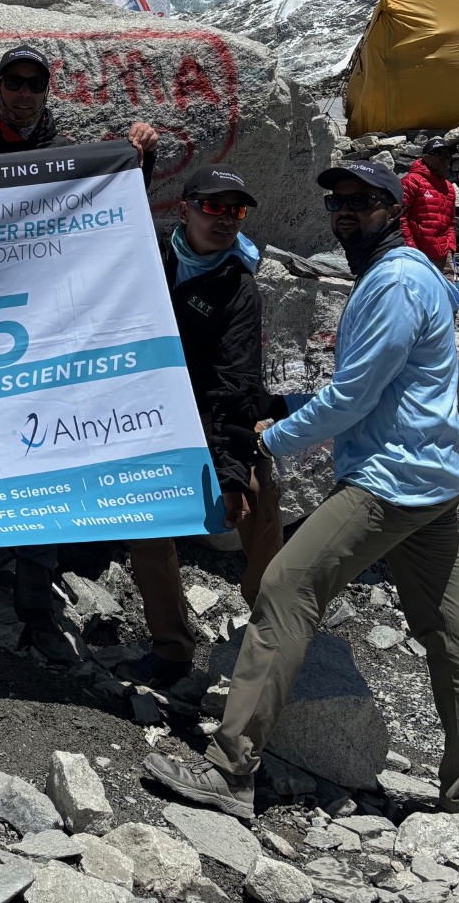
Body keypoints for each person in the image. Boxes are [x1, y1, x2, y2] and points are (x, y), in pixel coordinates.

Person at [142, 160, 459, 822]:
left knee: (285, 586)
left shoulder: (389, 284)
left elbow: (355, 398)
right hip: (436, 478)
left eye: (364, 201)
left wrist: (265, 441)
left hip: (392, 479)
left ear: (395, 210)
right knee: (449, 632)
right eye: (338, 201)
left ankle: (230, 769)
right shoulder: (416, 275)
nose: (347, 211)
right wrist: (285, 401)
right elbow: (382, 387)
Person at [0, 44, 160, 659]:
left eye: (36, 83)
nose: (25, 92)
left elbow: (111, 209)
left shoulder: (69, 153)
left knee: (40, 470)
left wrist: (139, 159)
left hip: (44, 340)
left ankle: (37, 609)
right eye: (15, 81)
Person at [120, 167, 289, 690]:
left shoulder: (239, 287)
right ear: (185, 209)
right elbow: (109, 219)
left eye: (236, 210)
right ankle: (171, 650)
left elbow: (236, 384)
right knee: (147, 526)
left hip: (208, 412)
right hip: (143, 412)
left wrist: (232, 472)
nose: (225, 219)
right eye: (213, 207)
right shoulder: (148, 258)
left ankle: (273, 624)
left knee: (259, 497)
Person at [402, 137, 459, 273]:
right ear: (426, 157)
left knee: (447, 292)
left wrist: (450, 246)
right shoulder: (411, 181)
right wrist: (411, 248)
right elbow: (400, 218)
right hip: (418, 253)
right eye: (437, 153)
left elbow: (450, 222)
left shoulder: (448, 187)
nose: (443, 158)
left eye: (447, 155)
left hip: (444, 255)